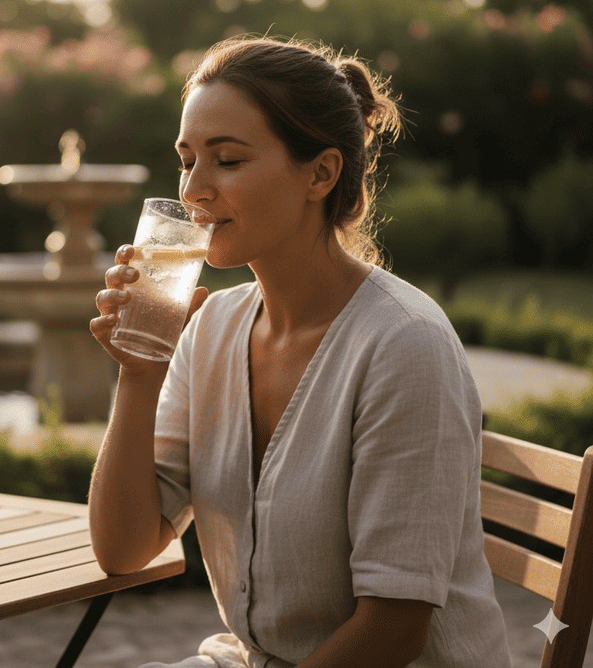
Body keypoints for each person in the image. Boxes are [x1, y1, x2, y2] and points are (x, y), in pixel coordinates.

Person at [89, 37, 512, 668]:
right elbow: (124, 549)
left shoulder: (403, 345)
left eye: (227, 160)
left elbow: (392, 631)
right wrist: (139, 375)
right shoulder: (211, 330)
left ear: (321, 173)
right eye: (186, 161)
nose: (196, 190)